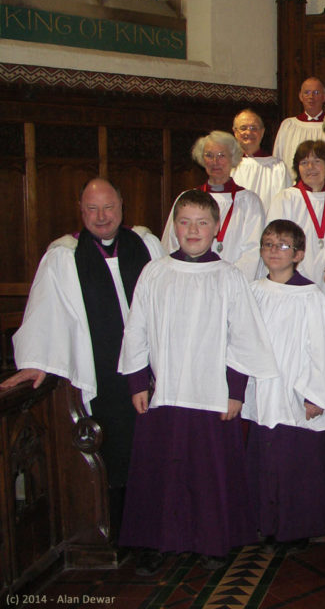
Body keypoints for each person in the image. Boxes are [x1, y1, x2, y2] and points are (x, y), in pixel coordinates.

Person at [118, 190, 278, 573]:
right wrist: (138, 381)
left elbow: (243, 337)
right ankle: (158, 543)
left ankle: (211, 541)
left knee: (209, 472)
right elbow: (137, 328)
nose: (193, 230)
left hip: (212, 393)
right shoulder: (155, 272)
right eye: (185, 221)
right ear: (174, 227)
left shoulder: (227, 276)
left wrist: (236, 391)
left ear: (216, 228)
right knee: (162, 471)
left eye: (202, 222)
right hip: (164, 390)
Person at [2, 179, 164, 547]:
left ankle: (156, 535)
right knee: (116, 451)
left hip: (152, 370)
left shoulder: (147, 245)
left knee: (152, 450)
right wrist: (35, 360)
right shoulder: (64, 255)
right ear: (80, 209)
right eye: (92, 209)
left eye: (108, 207)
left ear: (122, 205)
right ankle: (122, 535)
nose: (101, 217)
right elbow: (47, 312)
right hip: (104, 376)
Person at [243, 220, 325, 552]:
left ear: (299, 254)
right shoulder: (254, 291)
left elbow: (323, 348)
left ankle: (299, 526)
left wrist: (316, 393)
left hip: (297, 391)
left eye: (283, 245)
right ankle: (269, 523)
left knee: (297, 463)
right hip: (263, 388)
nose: (275, 251)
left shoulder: (310, 295)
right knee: (267, 458)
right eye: (269, 244)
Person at [162, 131, 265, 280]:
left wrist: (229, 282)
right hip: (190, 279)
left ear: (233, 158)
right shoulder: (187, 199)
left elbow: (252, 251)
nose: (215, 162)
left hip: (232, 284)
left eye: (221, 155)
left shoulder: (250, 202)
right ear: (202, 160)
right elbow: (171, 243)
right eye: (209, 155)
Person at [266, 140, 325, 290]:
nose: (310, 167)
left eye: (317, 161)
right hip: (294, 279)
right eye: (304, 162)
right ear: (297, 168)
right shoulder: (285, 198)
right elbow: (275, 241)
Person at [273, 77, 325, 182]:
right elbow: (278, 159)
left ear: (324, 97)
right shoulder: (288, 125)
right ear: (300, 96)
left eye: (316, 92)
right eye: (307, 92)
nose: (311, 97)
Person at [231, 109, 289, 211]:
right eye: (243, 128)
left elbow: (285, 204)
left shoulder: (277, 167)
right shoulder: (228, 166)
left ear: (262, 132)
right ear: (235, 132)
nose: (249, 132)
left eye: (254, 128)